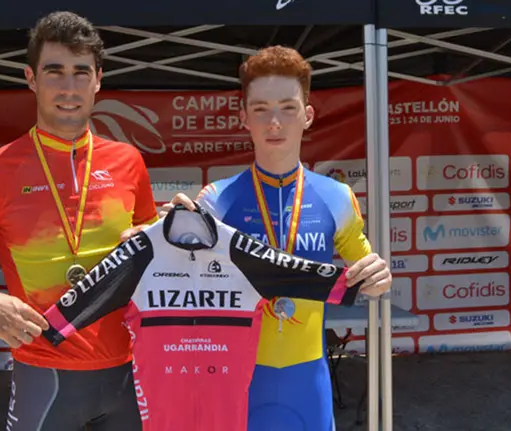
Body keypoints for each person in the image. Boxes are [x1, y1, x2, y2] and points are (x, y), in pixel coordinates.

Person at [0, 11, 161, 431]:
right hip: (44, 376)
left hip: (128, 375)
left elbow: (151, 260)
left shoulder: (129, 163)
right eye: (54, 72)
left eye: (80, 72)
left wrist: (162, 240)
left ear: (98, 80)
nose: (69, 88)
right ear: (31, 78)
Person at [149, 46, 393, 431]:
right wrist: (167, 239)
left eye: (287, 108)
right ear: (244, 117)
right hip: (237, 379)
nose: (274, 122)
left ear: (308, 115)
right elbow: (178, 279)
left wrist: (379, 276)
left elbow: (370, 278)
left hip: (308, 378)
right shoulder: (215, 200)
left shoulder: (336, 198)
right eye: (261, 109)